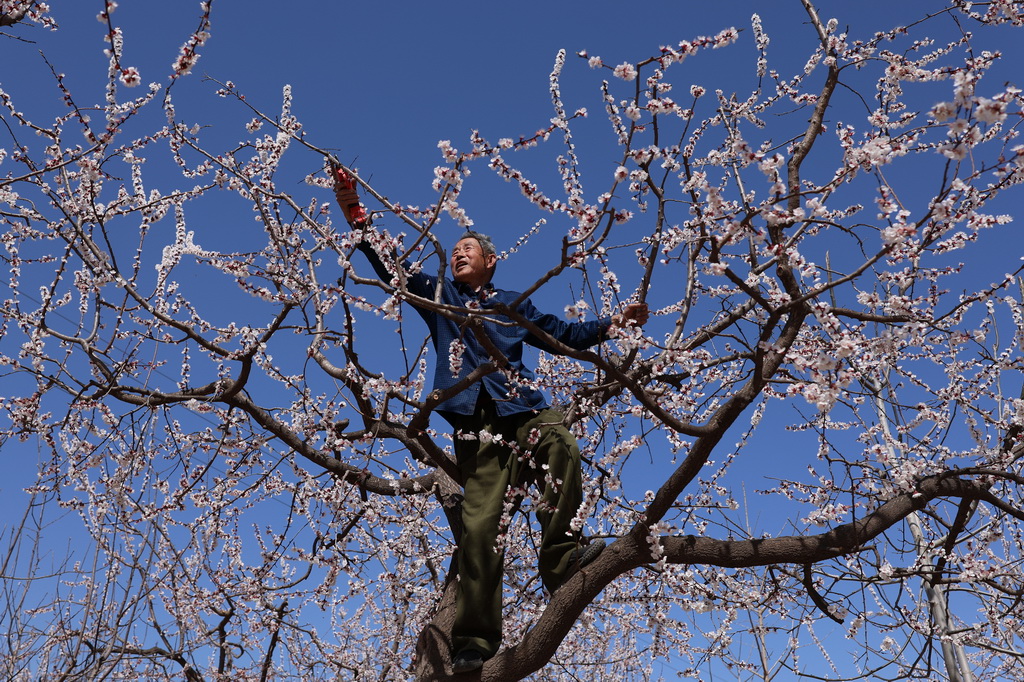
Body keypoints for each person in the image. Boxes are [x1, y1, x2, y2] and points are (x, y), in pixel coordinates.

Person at [333, 169, 648, 673]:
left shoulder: (512, 306)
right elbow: (393, 267)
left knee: (562, 447)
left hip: (523, 409)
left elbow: (564, 334)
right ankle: (474, 641)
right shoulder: (439, 296)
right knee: (479, 529)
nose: (459, 254)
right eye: (455, 250)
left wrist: (614, 324)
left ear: (490, 261)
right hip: (473, 426)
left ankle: (561, 557)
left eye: (468, 249)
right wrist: (356, 214)